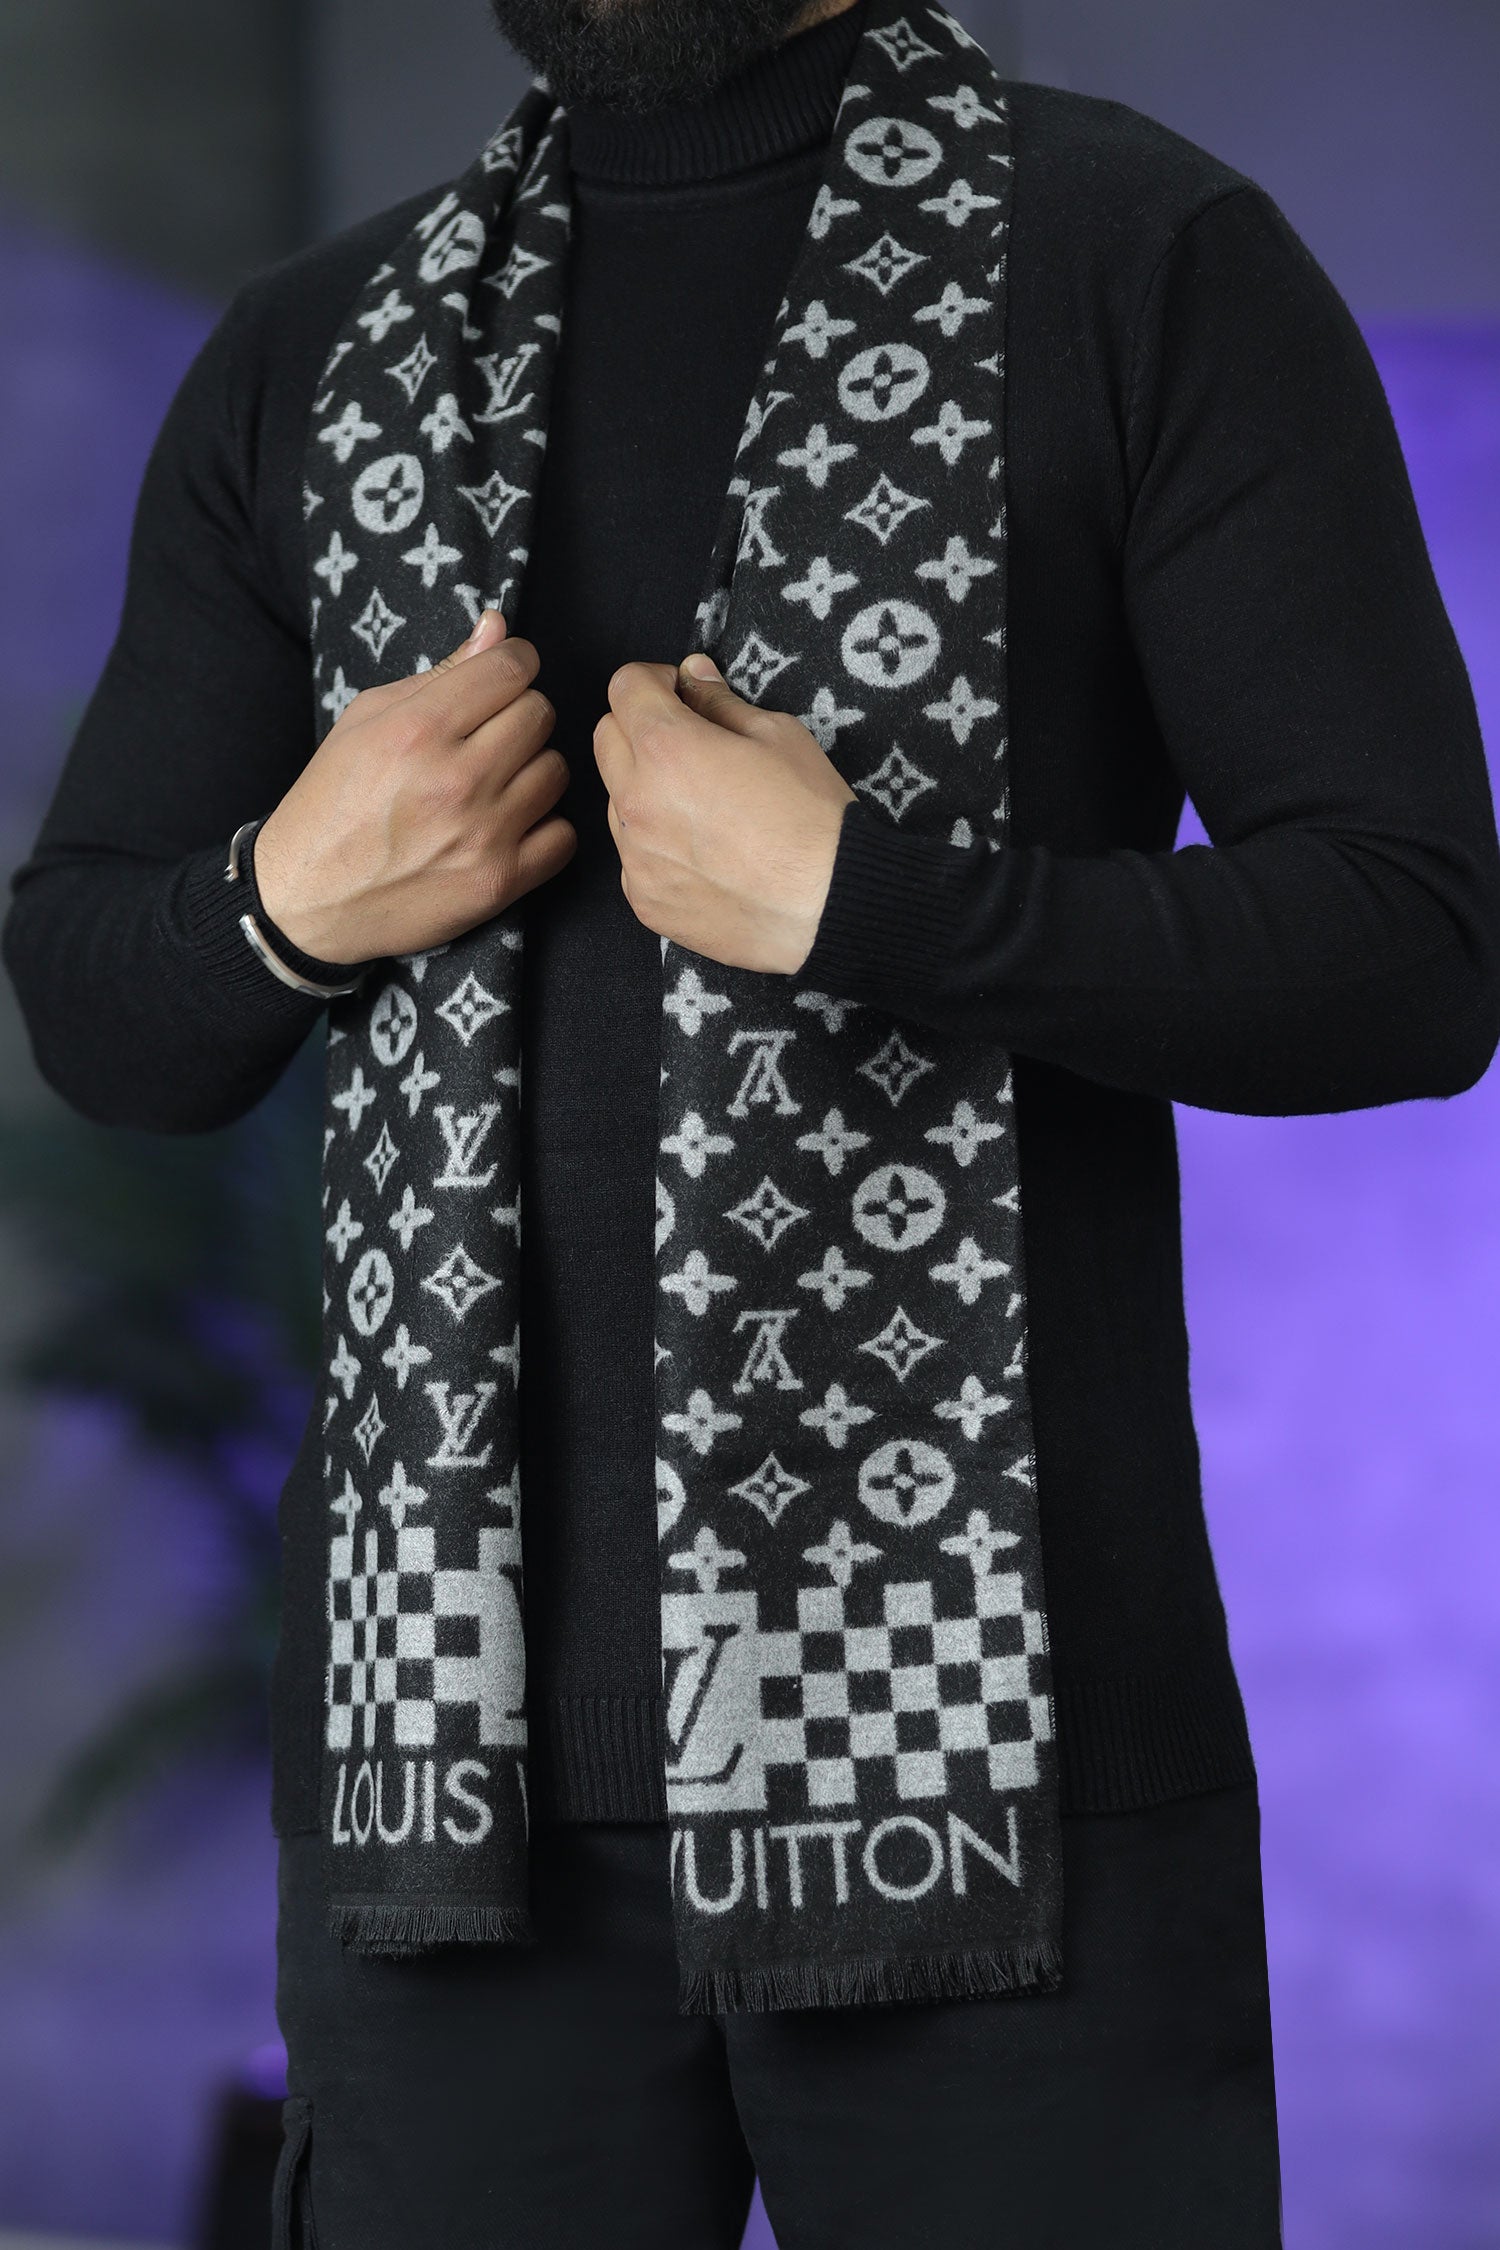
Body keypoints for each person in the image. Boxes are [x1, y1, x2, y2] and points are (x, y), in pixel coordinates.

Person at [5, 0, 1499, 2242]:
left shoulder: (1136, 258)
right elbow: (100, 1006)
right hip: (450, 1805)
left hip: (1012, 1783)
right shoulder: (317, 354)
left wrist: (877, 904)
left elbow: (1412, 941)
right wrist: (287, 899)